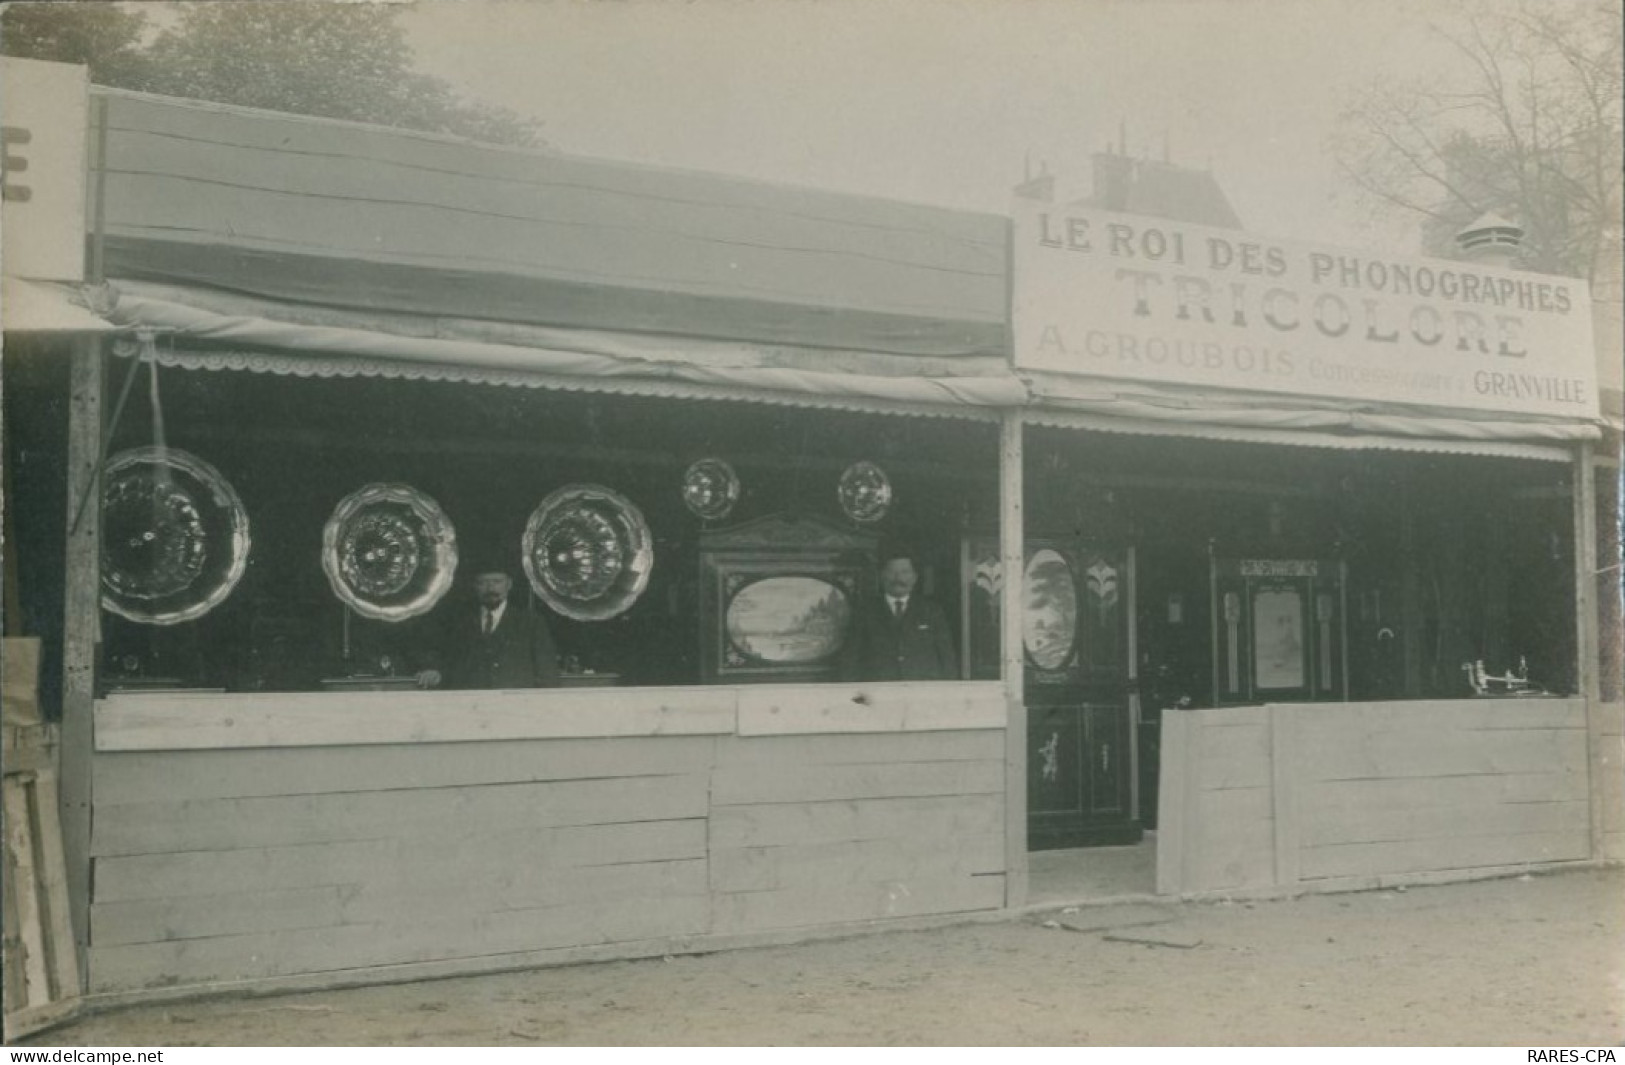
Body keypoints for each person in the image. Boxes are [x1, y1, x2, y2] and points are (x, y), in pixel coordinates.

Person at [416, 569, 560, 689]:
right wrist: (435, 671)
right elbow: (446, 659)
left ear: (509, 585)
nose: (490, 588)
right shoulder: (458, 622)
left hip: (516, 707)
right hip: (470, 707)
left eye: (497, 582)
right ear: (474, 586)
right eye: (483, 583)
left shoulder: (531, 622)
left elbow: (547, 671)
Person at [845, 550, 958, 681]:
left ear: (914, 577)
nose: (898, 578)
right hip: (879, 692)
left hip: (921, 692)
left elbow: (947, 659)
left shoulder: (932, 611)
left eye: (905, 572)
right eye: (892, 572)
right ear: (882, 576)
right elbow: (850, 660)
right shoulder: (865, 612)